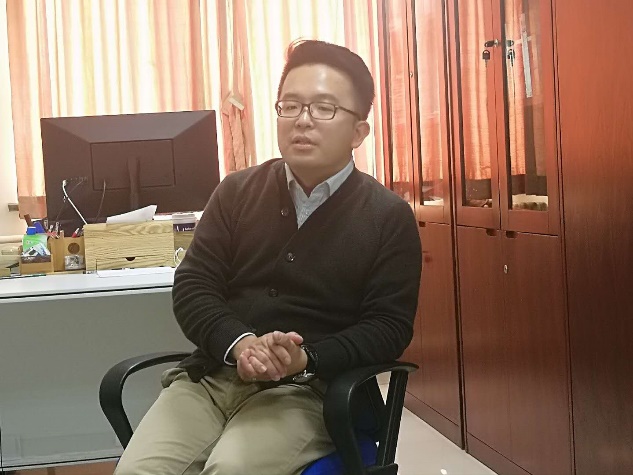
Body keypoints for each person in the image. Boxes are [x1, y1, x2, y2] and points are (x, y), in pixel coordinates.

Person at [115, 39, 422, 475]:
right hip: (211, 380)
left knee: (231, 470)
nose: (303, 120)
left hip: (307, 391)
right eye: (290, 106)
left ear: (359, 132)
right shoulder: (236, 192)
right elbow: (194, 286)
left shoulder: (387, 216)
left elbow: (388, 327)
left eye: (324, 108)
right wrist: (240, 344)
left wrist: (306, 357)